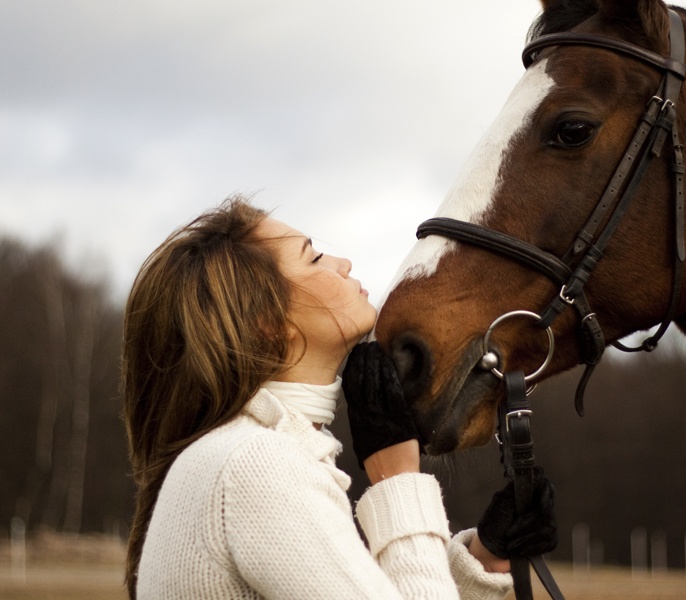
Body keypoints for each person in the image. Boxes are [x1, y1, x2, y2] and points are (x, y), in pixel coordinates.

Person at [121, 196, 556, 599]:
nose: (343, 263)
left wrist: (481, 560)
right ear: (266, 322)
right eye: (314, 258)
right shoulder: (253, 466)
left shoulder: (247, 455)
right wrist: (397, 480)